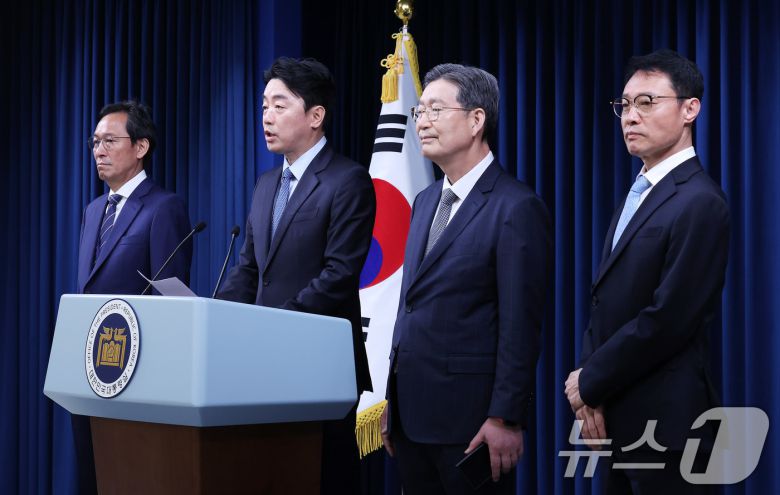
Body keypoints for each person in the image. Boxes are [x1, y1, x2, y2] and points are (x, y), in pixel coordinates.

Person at [381, 63, 552, 494]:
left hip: (472, 426)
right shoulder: (424, 201)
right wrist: (391, 398)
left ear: (477, 120)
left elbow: (520, 325)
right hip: (410, 420)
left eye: (436, 110)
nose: (422, 122)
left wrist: (505, 417)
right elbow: (409, 306)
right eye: (419, 111)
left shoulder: (515, 206)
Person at [565, 49, 730, 494]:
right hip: (615, 417)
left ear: (690, 109)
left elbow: (668, 318)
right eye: (624, 105)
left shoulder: (700, 200)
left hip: (670, 429)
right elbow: (605, 300)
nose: (630, 116)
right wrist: (590, 391)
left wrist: (590, 380)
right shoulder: (639, 192)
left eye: (646, 102)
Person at [217, 57, 375, 495]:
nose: (266, 117)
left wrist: (274, 324)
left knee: (320, 479)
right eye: (264, 106)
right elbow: (250, 269)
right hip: (263, 365)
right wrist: (216, 317)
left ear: (316, 115)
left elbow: (339, 274)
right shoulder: (266, 184)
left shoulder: (348, 181)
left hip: (320, 366)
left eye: (279, 105)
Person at [74, 100, 193, 494]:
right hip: (90, 374)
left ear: (141, 147)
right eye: (95, 142)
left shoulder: (164, 207)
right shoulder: (94, 210)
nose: (99, 150)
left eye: (110, 141)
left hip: (134, 377)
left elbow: (170, 298)